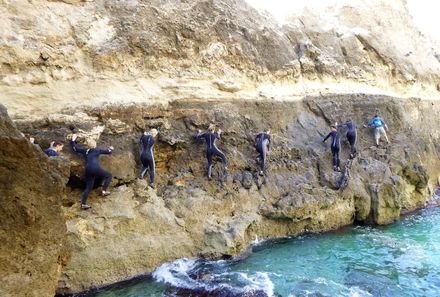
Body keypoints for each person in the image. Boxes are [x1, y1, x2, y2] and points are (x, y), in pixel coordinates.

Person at [71, 134, 114, 210]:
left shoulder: (85, 151)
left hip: (88, 169)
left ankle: (83, 204)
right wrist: (111, 148)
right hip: (95, 168)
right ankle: (104, 191)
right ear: (94, 145)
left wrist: (73, 140)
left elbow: (75, 148)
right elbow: (109, 152)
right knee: (109, 175)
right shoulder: (97, 150)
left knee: (88, 187)